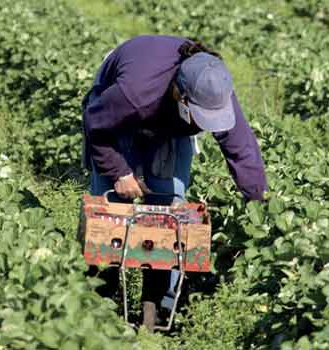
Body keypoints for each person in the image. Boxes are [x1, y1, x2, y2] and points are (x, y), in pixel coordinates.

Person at [81, 35, 267, 328]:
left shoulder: (214, 86)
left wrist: (259, 203)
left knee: (169, 210)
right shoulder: (134, 92)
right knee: (110, 210)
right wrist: (119, 171)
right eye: (200, 115)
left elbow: (240, 146)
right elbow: (96, 124)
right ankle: (98, 296)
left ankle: (156, 303)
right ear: (181, 95)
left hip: (168, 126)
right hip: (116, 117)